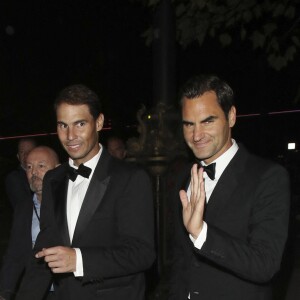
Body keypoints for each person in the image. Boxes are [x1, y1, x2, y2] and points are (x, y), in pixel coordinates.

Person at [16, 84, 155, 300]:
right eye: (63, 125)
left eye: (80, 124)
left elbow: (142, 253)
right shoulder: (54, 179)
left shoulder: (130, 178)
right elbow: (45, 251)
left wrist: (79, 261)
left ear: (98, 122)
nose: (70, 135)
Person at [168, 75, 290, 299]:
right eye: (189, 124)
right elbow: (180, 259)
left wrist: (201, 233)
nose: (196, 135)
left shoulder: (267, 177)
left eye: (207, 121)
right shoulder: (184, 176)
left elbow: (265, 264)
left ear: (231, 117)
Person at [0, 146, 60, 300]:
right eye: (29, 167)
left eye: (41, 166)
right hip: (37, 292)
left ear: (58, 170)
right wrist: (5, 292)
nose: (34, 173)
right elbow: (15, 254)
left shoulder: (70, 204)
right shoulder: (24, 208)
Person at [5, 138, 37, 208]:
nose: (26, 155)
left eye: (29, 151)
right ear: (18, 157)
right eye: (22, 152)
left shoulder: (46, 173)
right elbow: (25, 206)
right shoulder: (14, 178)